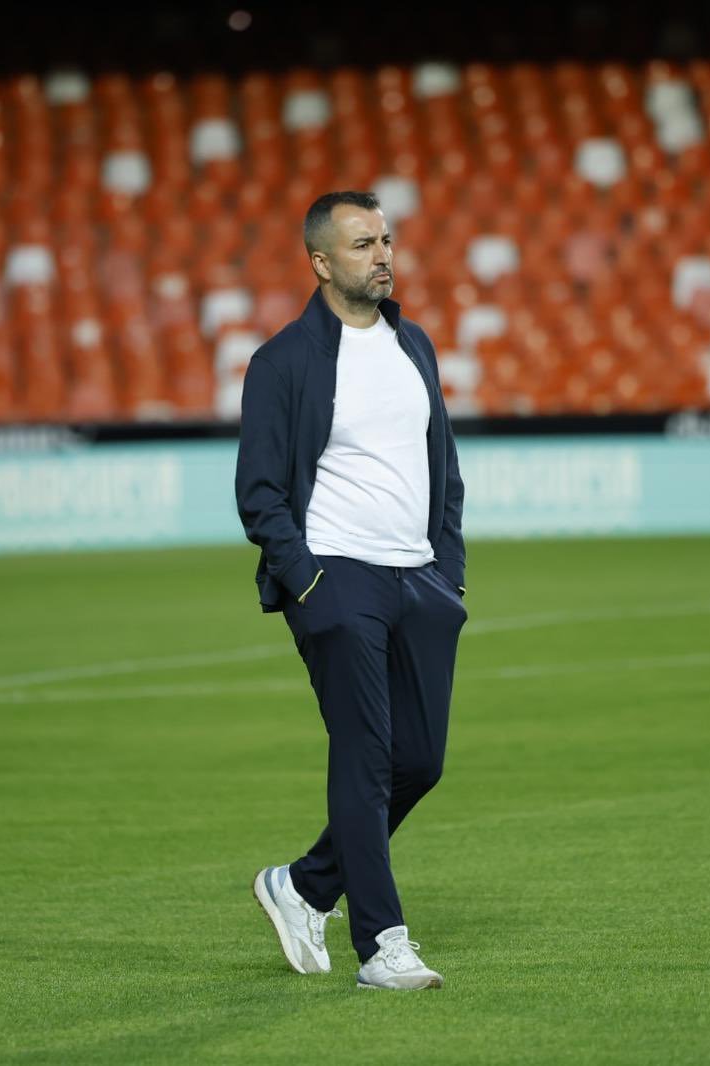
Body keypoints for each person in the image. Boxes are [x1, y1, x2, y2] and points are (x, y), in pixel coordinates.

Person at [235, 190, 467, 991]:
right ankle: (383, 946)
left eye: (387, 239)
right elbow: (259, 492)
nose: (383, 255)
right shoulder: (283, 362)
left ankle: (302, 887)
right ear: (322, 262)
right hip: (339, 579)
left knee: (421, 761)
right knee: (365, 762)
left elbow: (444, 466)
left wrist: (450, 571)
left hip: (420, 581)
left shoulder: (416, 345)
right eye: (363, 243)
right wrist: (308, 583)